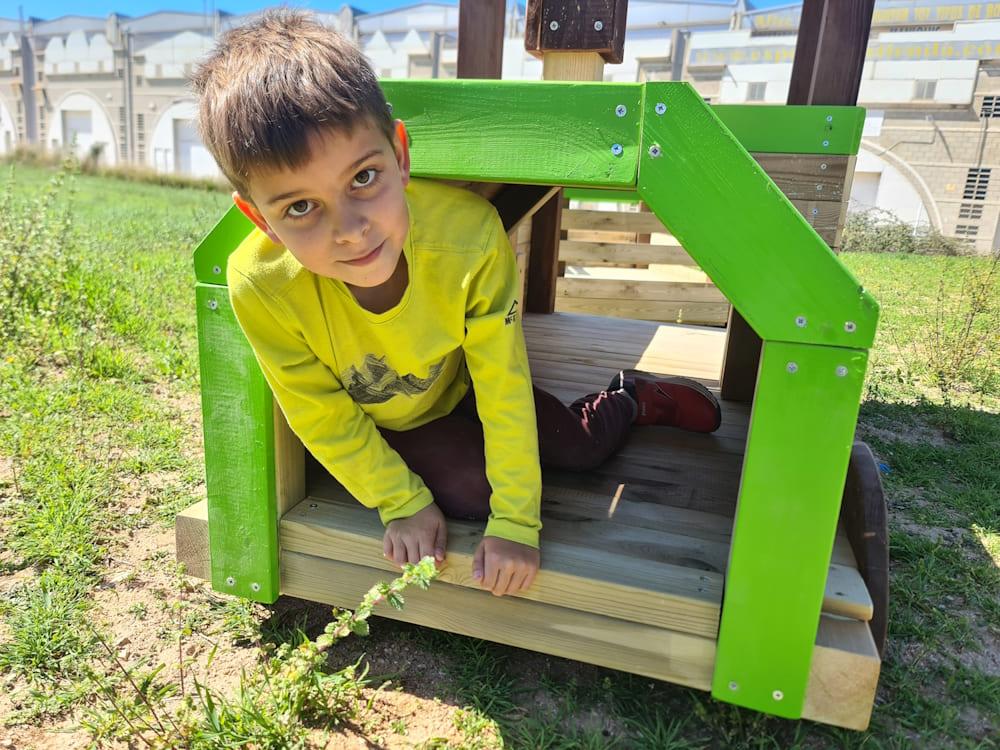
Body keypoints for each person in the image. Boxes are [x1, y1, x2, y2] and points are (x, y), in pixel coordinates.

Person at [191, 9, 721, 599]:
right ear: (258, 219)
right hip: (401, 419)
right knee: (473, 492)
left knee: (580, 448)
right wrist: (402, 502)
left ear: (400, 154)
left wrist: (520, 521)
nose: (349, 230)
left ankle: (628, 396)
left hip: (467, 383)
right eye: (298, 208)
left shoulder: (468, 236)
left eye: (363, 178)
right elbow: (318, 411)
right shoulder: (260, 283)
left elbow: (503, 380)